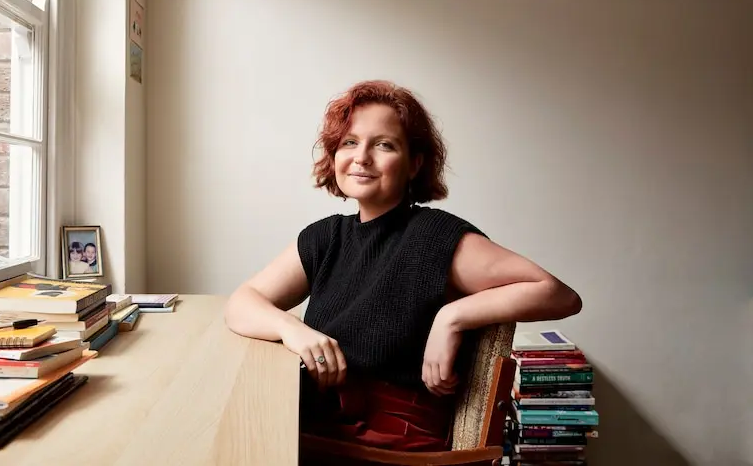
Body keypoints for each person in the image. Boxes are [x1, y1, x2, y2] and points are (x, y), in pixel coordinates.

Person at [224, 80, 582, 453]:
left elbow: (559, 295)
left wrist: (453, 317)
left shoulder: (434, 236)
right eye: (349, 142)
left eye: (384, 144)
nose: (361, 157)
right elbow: (241, 303)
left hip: (385, 446)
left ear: (414, 164)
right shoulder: (326, 237)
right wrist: (292, 330)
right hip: (318, 422)